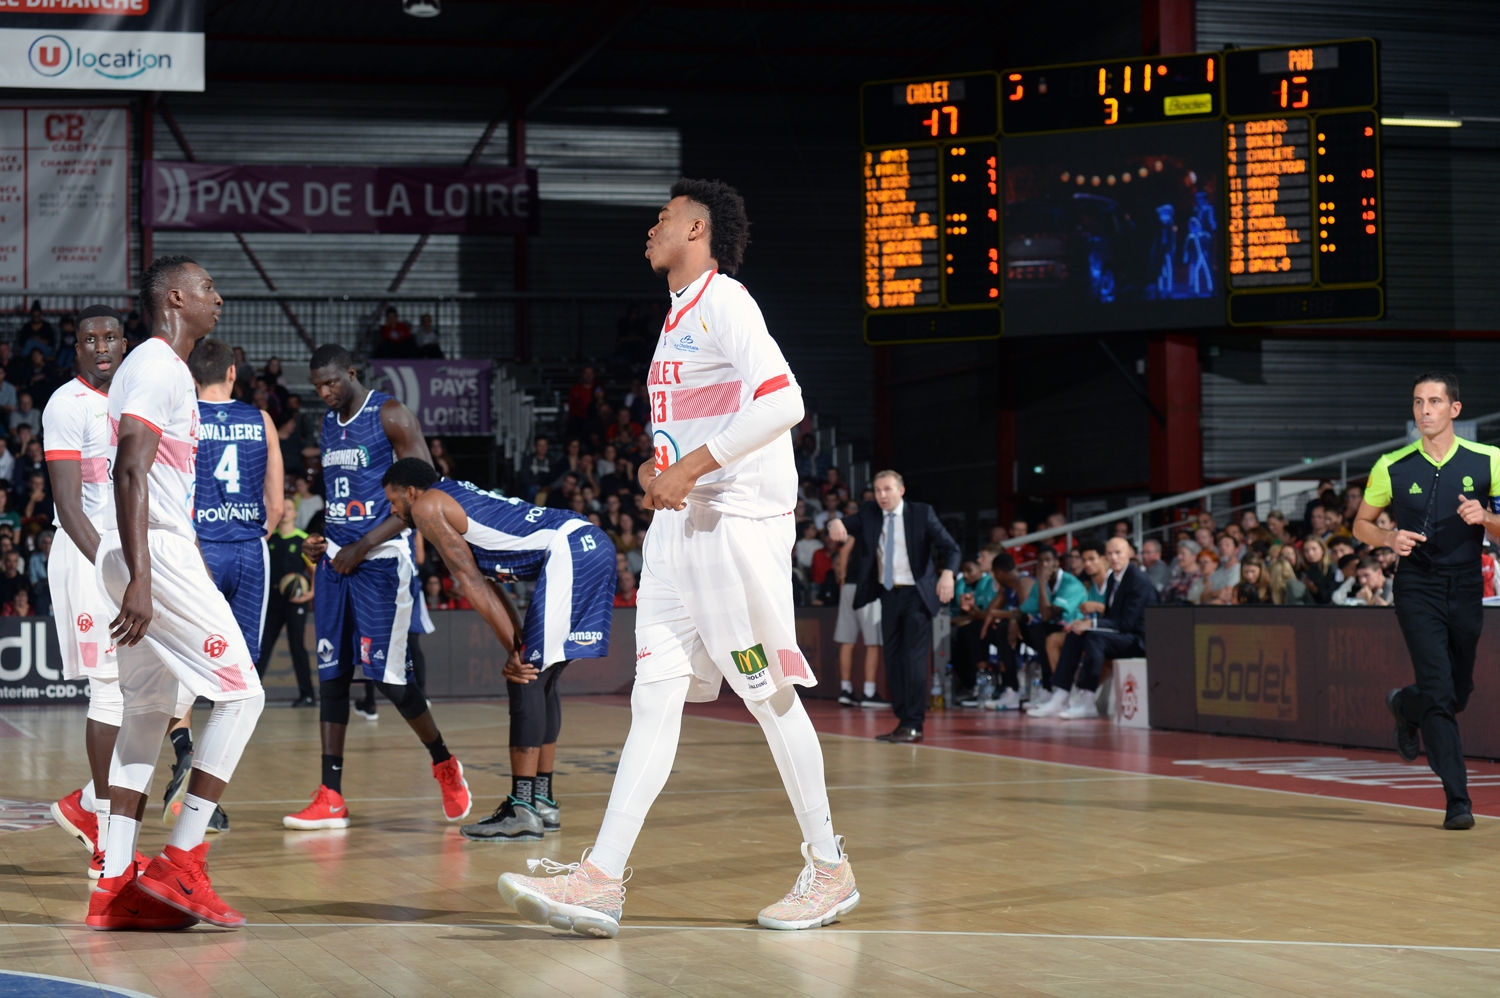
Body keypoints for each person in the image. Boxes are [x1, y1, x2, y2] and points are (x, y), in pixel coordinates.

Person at [498, 179, 857, 937]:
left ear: (696, 229)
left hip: (732, 527)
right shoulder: (675, 318)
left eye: (661, 220)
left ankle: (828, 869)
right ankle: (600, 879)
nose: (650, 231)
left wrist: (690, 469)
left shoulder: (726, 300)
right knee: (652, 700)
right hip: (679, 531)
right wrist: (658, 470)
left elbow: (784, 400)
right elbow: (696, 426)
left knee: (767, 695)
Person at [91, 256, 266, 930]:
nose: (217, 299)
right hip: (152, 550)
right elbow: (130, 469)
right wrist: (142, 575)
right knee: (242, 694)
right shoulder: (160, 365)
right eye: (208, 289)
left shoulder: (156, 368)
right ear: (175, 297)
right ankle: (182, 860)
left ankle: (113, 881)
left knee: (145, 711)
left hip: (134, 549)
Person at [284, 344, 470, 831]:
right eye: (317, 386)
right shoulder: (327, 424)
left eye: (331, 383)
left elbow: (424, 493)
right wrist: (321, 538)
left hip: (382, 561)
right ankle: (331, 795)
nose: (324, 393)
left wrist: (362, 545)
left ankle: (444, 762)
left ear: (352, 371)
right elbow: (343, 495)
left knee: (389, 680)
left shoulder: (389, 413)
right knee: (332, 675)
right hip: (337, 561)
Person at [382, 458, 616, 843]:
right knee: (541, 676)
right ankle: (542, 800)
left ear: (410, 492)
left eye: (392, 500)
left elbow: (471, 580)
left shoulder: (427, 507)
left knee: (525, 675)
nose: (392, 510)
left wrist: (515, 650)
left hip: (569, 549)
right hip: (588, 544)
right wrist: (518, 643)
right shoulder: (455, 495)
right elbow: (490, 584)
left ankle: (522, 808)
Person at [1355, 373, 1500, 831]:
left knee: (1457, 692)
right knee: (1440, 689)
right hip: (1417, 585)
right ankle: (1458, 800)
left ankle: (1405, 706)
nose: (1425, 410)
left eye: (1434, 401)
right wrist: (1387, 537)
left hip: (1465, 584)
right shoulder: (1391, 465)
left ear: (1454, 409)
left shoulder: (1490, 460)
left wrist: (1487, 518)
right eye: (1418, 402)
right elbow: (1361, 524)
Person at [44, 306, 143, 881]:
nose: (101, 346)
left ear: (126, 343)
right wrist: (116, 570)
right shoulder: (66, 403)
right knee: (109, 692)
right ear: (76, 347)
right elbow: (69, 506)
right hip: (88, 558)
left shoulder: (134, 397)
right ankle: (107, 833)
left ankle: (86, 803)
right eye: (90, 339)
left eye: (110, 337)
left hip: (129, 559)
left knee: (155, 693)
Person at [828, 470, 960, 742]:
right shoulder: (870, 512)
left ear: (901, 490)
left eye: (887, 489)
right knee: (893, 659)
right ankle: (904, 721)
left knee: (913, 661)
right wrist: (835, 523)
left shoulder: (921, 513)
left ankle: (914, 723)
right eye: (877, 490)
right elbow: (843, 524)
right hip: (888, 595)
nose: (882, 496)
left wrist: (948, 574)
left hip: (916, 596)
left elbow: (952, 548)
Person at [1029, 537, 1156, 720]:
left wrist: (1093, 624)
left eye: (1118, 553)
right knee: (1076, 634)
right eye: (1110, 553)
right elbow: (1112, 617)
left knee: (1094, 637)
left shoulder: (1137, 580)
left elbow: (1127, 623)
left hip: (1138, 639)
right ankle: (1061, 695)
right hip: (1120, 634)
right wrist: (1086, 624)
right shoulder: (1114, 578)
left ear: (1129, 553)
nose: (1114, 557)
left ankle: (1088, 700)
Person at [259, 500, 316, 705]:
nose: (284, 512)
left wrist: (311, 594)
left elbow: (315, 570)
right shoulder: (269, 539)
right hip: (273, 601)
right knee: (263, 646)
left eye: (289, 508)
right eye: (281, 508)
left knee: (297, 646)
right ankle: (251, 694)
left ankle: (307, 694)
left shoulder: (303, 539)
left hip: (295, 601)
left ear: (294, 514)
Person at [832, 530, 885, 708]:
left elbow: (844, 552)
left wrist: (843, 579)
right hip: (868, 588)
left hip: (849, 586)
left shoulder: (858, 531)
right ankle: (869, 692)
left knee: (847, 640)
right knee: (873, 642)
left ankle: (845, 690)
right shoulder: (882, 529)